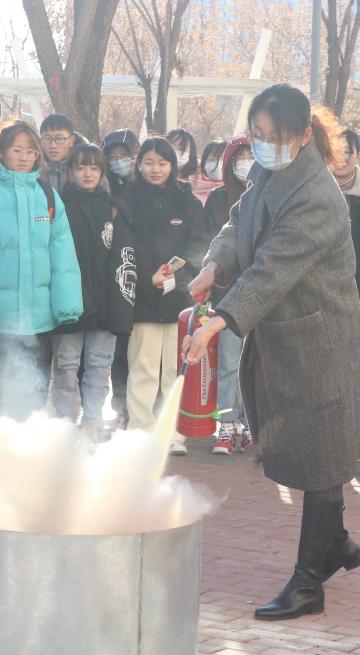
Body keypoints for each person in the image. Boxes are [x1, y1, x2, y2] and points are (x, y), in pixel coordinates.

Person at [185, 84, 360, 621]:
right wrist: (213, 265)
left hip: (322, 339)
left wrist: (220, 319)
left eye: (273, 135)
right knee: (316, 452)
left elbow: (272, 267)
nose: (263, 144)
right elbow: (237, 222)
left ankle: (308, 583)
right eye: (257, 134)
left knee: (322, 458)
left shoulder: (317, 195)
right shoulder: (271, 173)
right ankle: (335, 544)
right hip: (289, 336)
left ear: (302, 135)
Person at [0, 121, 83, 419]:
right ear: (0, 152)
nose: (25, 157)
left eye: (31, 151)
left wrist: (66, 306)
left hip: (38, 319)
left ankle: (26, 443)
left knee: (34, 390)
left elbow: (63, 256)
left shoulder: (48, 196)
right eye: (16, 150)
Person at [123, 137, 206, 455]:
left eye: (162, 163)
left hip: (178, 301)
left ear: (173, 166)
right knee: (142, 368)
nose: (155, 169)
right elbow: (126, 246)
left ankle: (173, 433)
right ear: (139, 165)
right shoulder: (128, 200)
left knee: (174, 369)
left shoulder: (187, 201)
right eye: (148, 162)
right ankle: (139, 431)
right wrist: (148, 277)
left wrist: (175, 279)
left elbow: (198, 246)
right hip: (142, 298)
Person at [53, 144, 136, 439]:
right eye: (81, 167)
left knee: (99, 367)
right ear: (70, 171)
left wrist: (121, 302)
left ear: (102, 172)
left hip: (106, 301)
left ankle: (92, 422)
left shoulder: (114, 208)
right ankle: (63, 425)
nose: (87, 174)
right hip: (68, 299)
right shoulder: (58, 205)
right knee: (66, 366)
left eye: (94, 168)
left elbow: (124, 258)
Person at [204, 135, 255, 455]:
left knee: (256, 367)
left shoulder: (266, 195)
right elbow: (214, 242)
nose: (246, 164)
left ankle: (250, 425)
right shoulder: (218, 199)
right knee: (227, 363)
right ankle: (226, 425)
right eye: (240, 158)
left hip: (260, 292)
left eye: (251, 157)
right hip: (227, 294)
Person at [331, 128, 360, 374]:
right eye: (336, 151)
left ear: (357, 155)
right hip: (326, 298)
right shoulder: (316, 194)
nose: (342, 158)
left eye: (347, 152)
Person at [102, 128, 141, 429]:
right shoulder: (107, 193)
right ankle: (120, 408)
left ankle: (143, 410)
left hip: (148, 277)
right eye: (112, 157)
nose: (118, 162)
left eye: (123, 155)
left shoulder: (148, 188)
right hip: (119, 278)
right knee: (120, 351)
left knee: (145, 353)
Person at [39, 114, 82, 192]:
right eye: (47, 138)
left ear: (71, 141)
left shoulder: (87, 165)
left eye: (59, 139)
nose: (53, 145)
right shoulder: (33, 169)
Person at [191, 139, 227, 205]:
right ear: (204, 161)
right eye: (213, 159)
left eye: (223, 158)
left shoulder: (234, 192)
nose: (218, 164)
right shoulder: (189, 186)